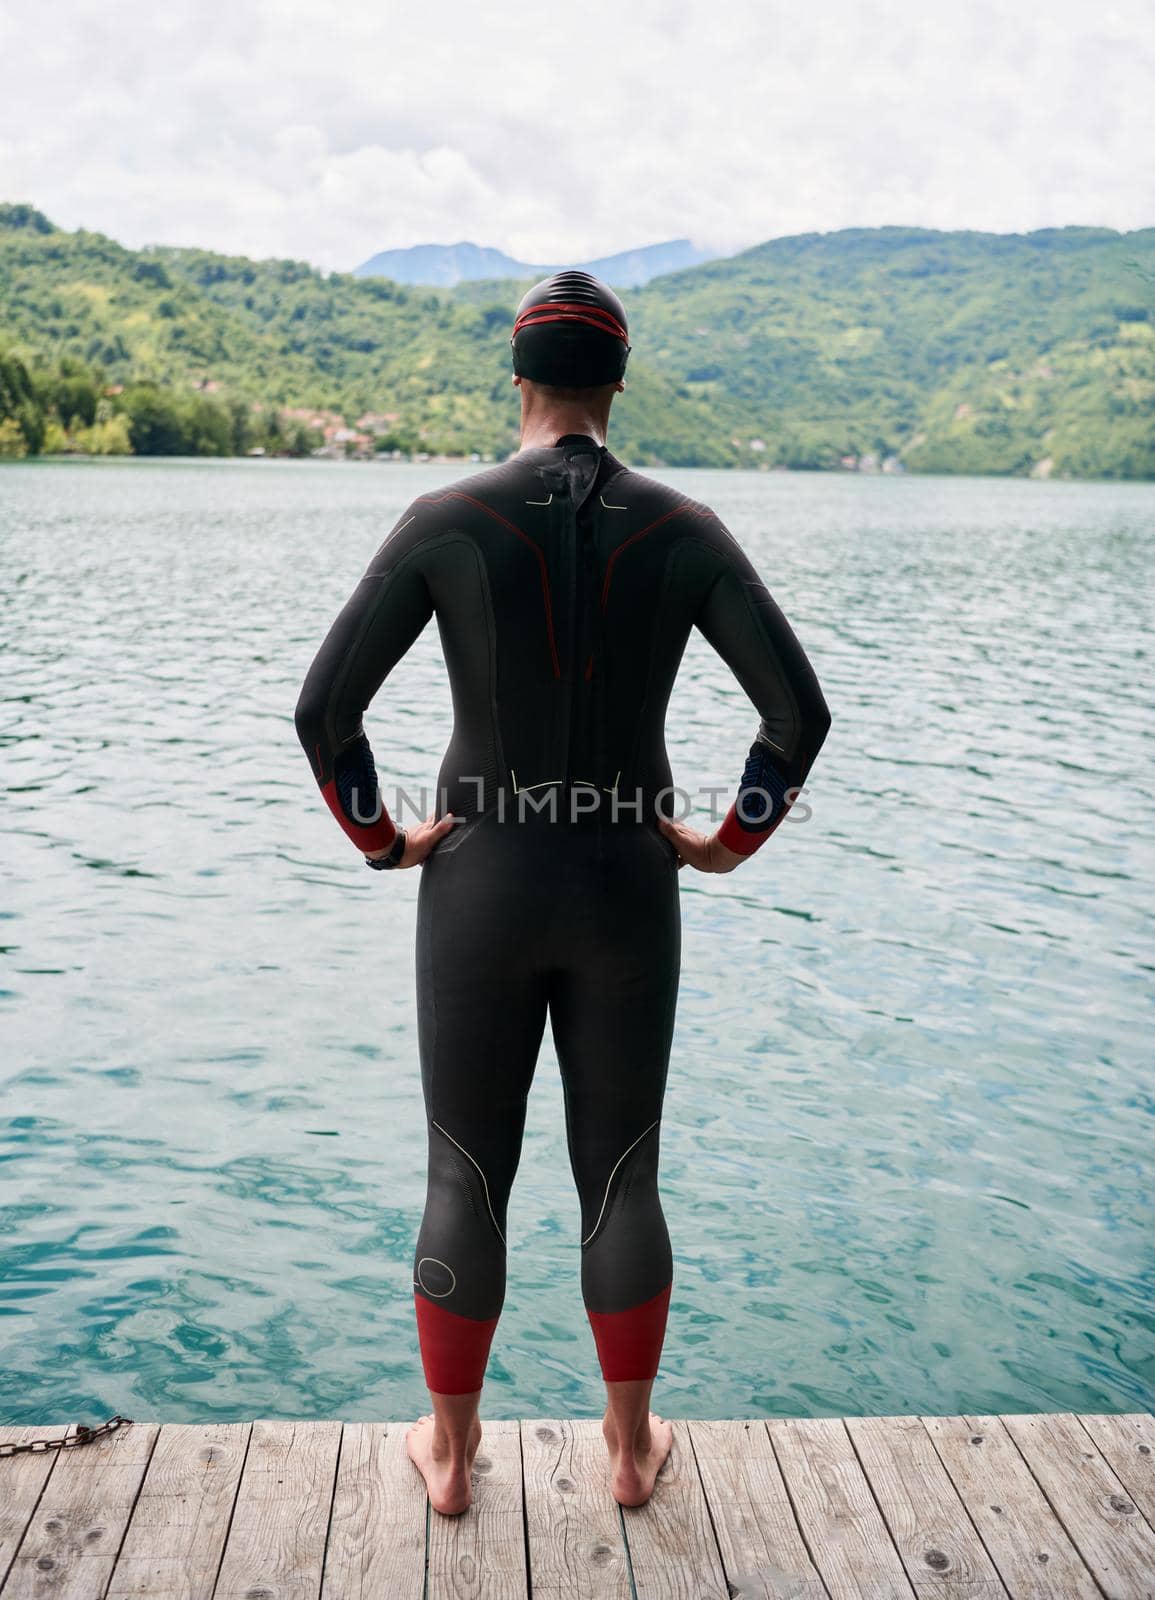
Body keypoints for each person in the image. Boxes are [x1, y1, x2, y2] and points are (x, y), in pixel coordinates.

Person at [294, 269, 831, 1513]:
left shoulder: (446, 517)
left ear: (520, 377)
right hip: (628, 885)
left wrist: (382, 841)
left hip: (478, 880)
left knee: (460, 1175)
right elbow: (798, 714)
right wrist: (724, 844)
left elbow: (325, 711)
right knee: (624, 1175)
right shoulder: (685, 527)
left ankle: (448, 1455)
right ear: (618, 383)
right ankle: (631, 1452)